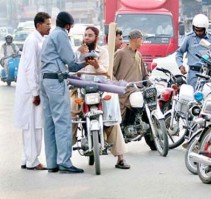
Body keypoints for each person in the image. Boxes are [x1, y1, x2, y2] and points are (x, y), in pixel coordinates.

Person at [73, 26, 130, 169]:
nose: (87, 38)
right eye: (85, 35)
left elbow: (106, 73)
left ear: (96, 38)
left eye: (90, 35)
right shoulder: (77, 52)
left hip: (99, 89)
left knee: (111, 119)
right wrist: (80, 60)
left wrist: (96, 65)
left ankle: (120, 158)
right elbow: (73, 69)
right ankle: (64, 157)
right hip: (81, 89)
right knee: (71, 116)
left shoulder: (103, 52)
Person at [40, 11, 87, 174]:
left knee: (50, 123)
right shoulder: (61, 35)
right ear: (68, 26)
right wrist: (85, 57)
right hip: (56, 81)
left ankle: (52, 163)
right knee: (63, 121)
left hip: (45, 81)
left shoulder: (51, 36)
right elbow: (72, 63)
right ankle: (64, 163)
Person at [14, 12, 51, 171]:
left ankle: (27, 158)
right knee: (33, 127)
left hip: (31, 89)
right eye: (47, 24)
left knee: (31, 127)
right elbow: (31, 69)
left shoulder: (38, 40)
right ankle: (32, 161)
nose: (50, 27)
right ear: (38, 25)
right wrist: (35, 93)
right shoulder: (32, 41)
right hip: (30, 91)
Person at [176, 14, 211, 88]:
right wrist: (180, 65)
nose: (198, 32)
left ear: (205, 28)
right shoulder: (189, 38)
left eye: (201, 30)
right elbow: (179, 53)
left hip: (208, 73)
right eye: (196, 30)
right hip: (193, 73)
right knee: (192, 96)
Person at [113, 29, 149, 119]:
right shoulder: (120, 53)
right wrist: (118, 86)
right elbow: (111, 73)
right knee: (119, 121)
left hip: (138, 91)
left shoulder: (139, 55)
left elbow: (145, 74)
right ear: (136, 39)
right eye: (141, 39)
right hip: (124, 93)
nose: (142, 42)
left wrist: (150, 82)